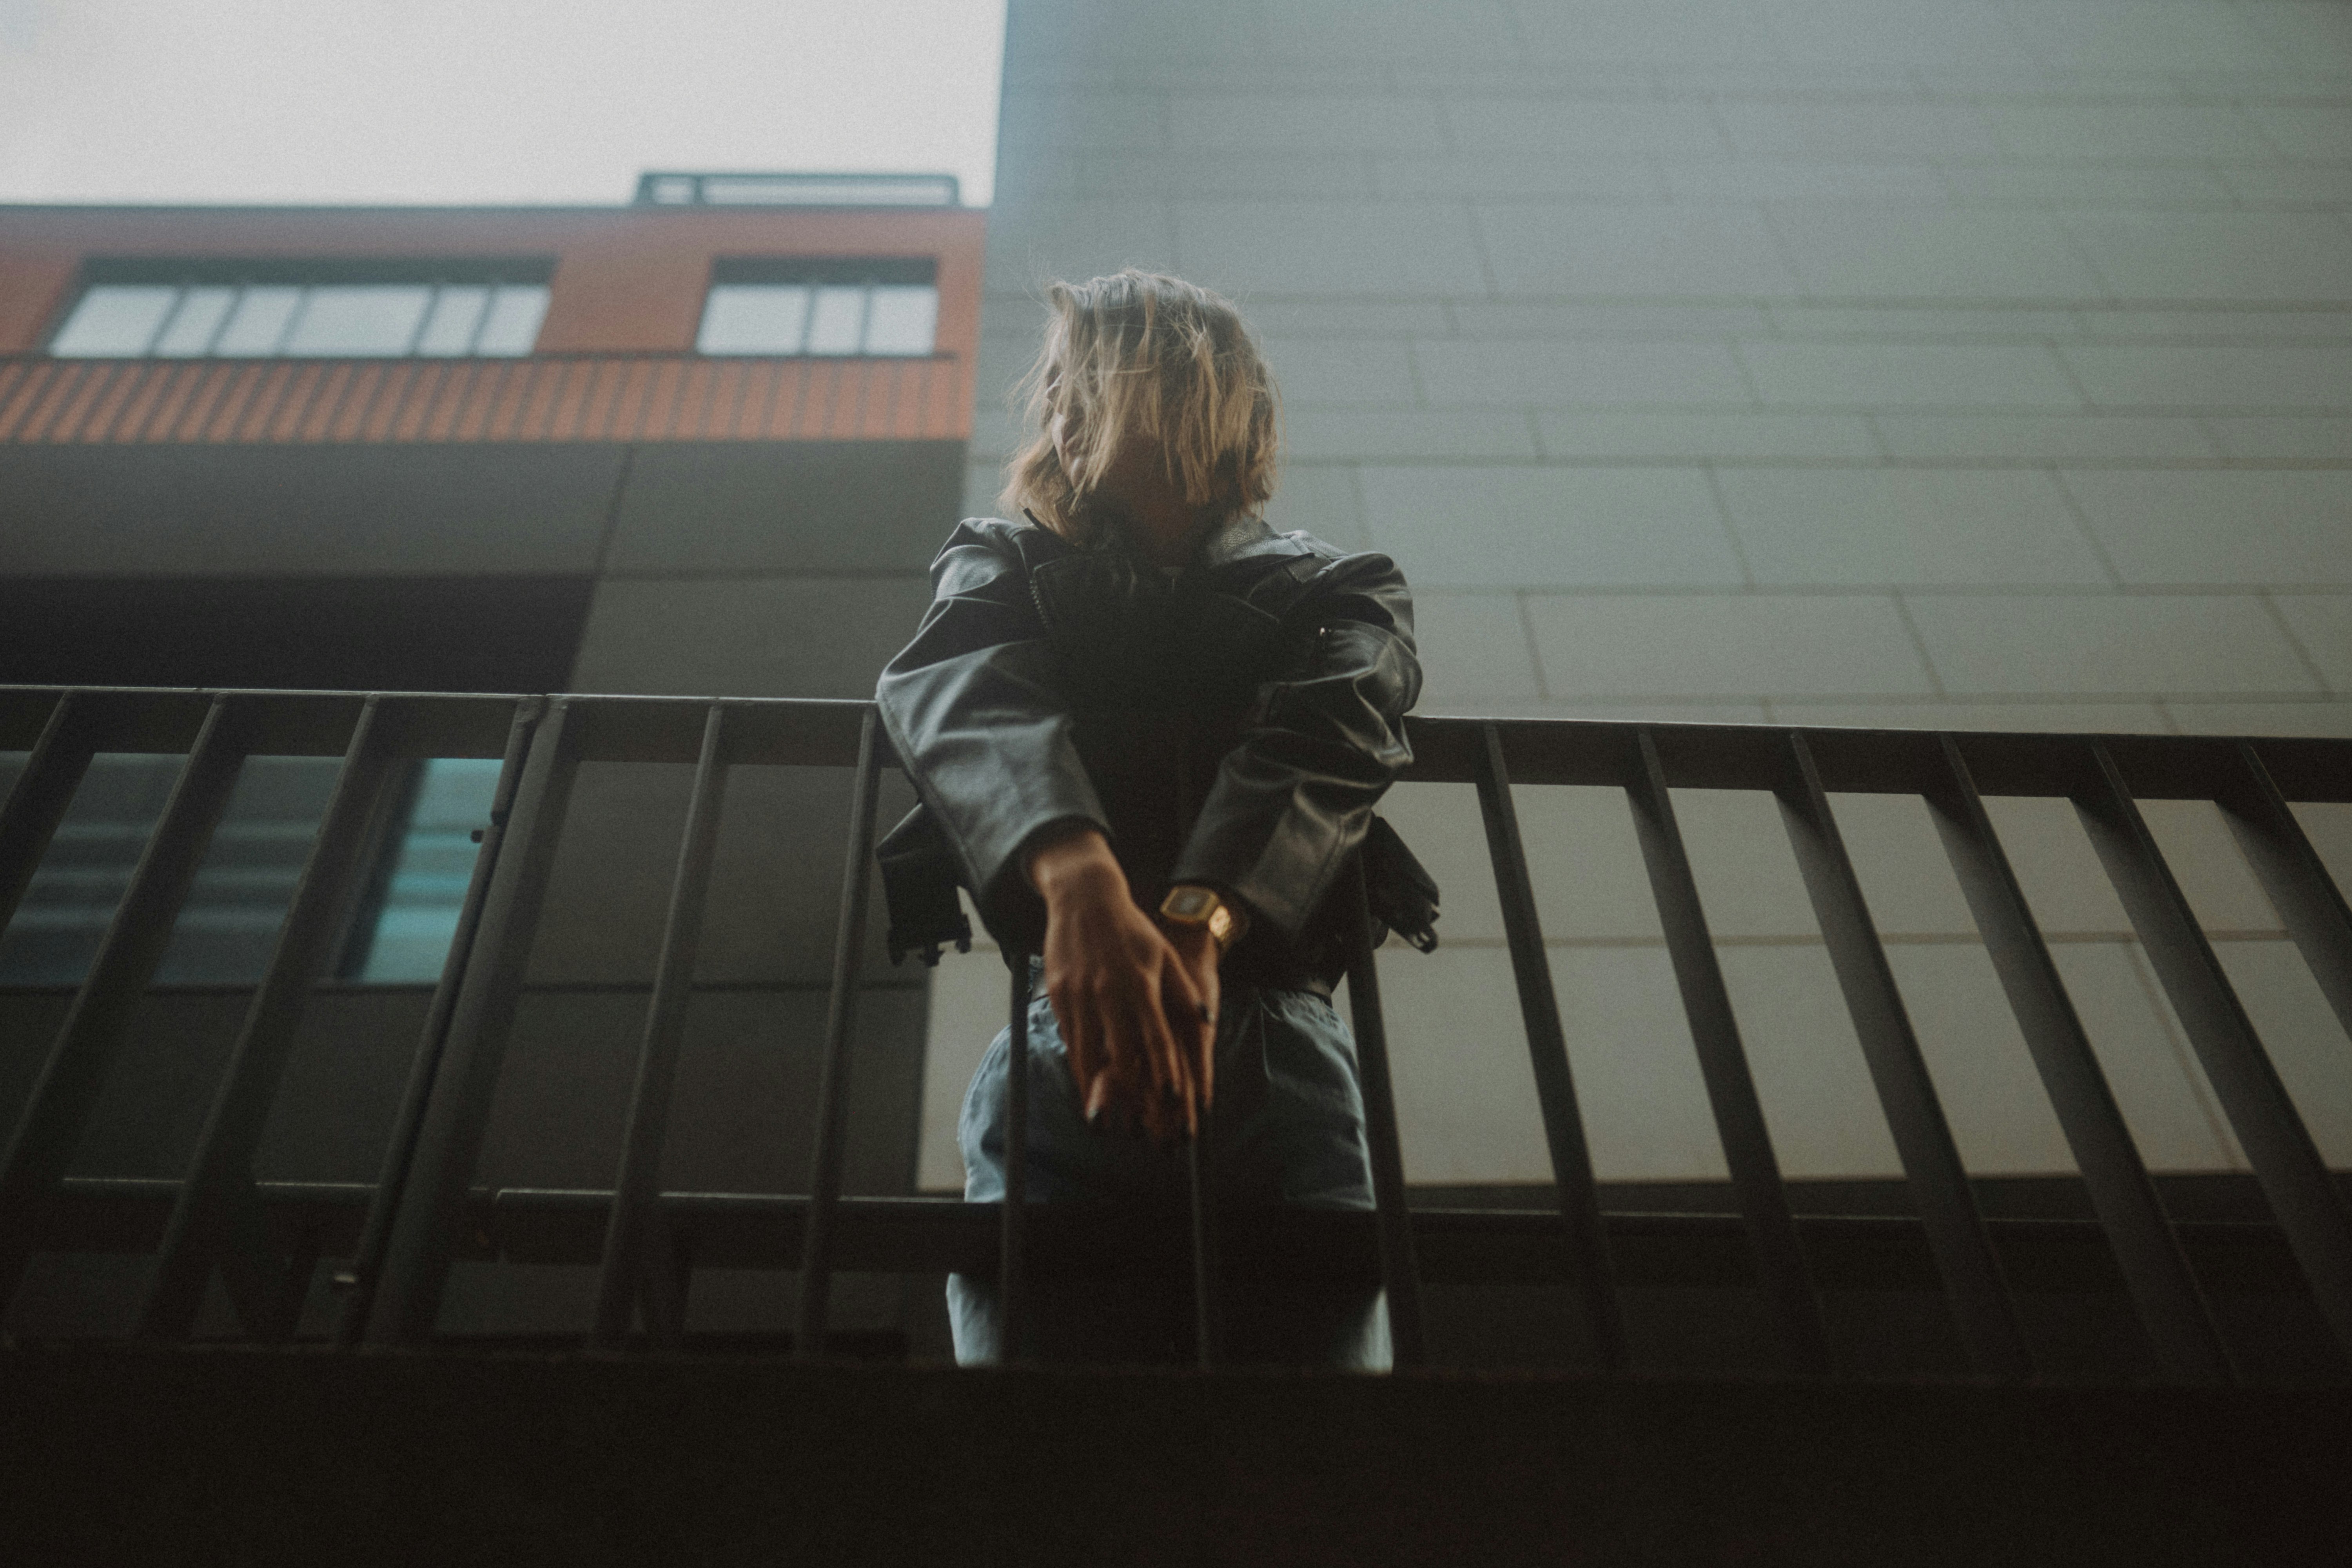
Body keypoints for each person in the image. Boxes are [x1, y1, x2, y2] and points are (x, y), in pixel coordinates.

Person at [873, 269, 1429, 1369]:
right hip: (1062, 1031)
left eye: (1086, 383)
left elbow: (1328, 738)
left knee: (1318, 1478)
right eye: (1058, 396)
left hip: (1275, 1045)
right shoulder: (1004, 555)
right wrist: (1080, 886)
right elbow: (966, 686)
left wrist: (1193, 919)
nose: (1060, 415)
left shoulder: (1342, 585)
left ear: (1188, 393)